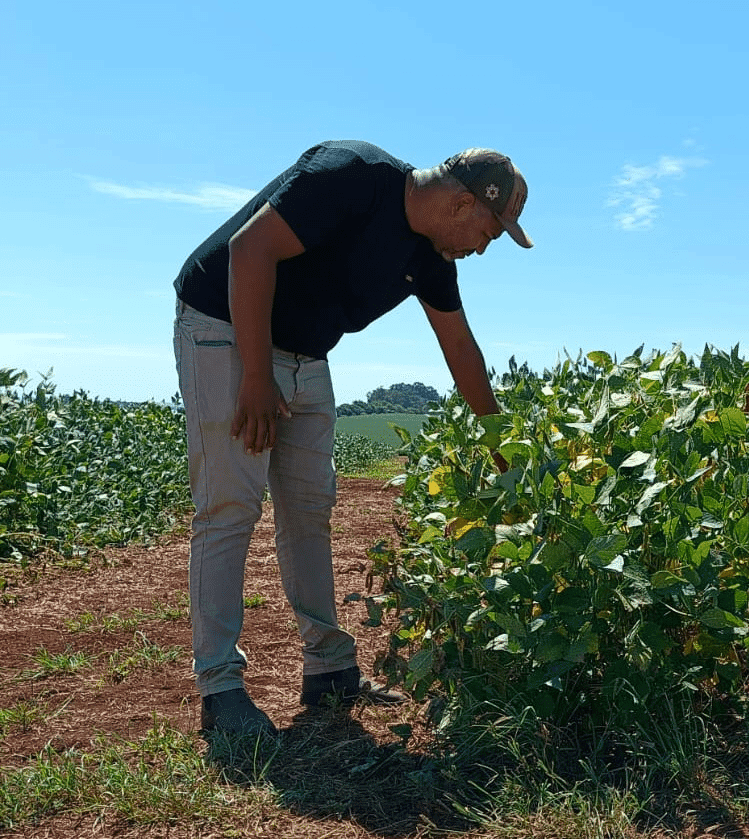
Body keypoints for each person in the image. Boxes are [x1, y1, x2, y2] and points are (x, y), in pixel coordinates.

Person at [172, 140, 531, 735]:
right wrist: (256, 377)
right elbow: (249, 249)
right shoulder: (351, 174)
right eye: (491, 234)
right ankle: (221, 689)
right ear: (465, 203)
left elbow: (461, 351)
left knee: (309, 507)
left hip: (305, 351)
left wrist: (506, 454)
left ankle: (329, 669)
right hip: (225, 324)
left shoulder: (432, 257)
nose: (482, 249)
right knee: (229, 506)